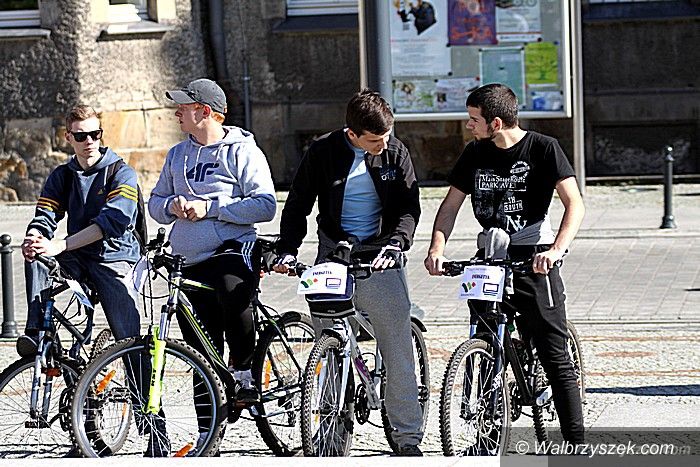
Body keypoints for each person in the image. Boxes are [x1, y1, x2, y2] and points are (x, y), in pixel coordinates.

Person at [424, 83, 586, 446]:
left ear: (495, 123)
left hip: (534, 256)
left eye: (473, 119)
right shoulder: (474, 153)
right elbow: (450, 206)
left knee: (554, 354)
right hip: (490, 257)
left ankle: (576, 444)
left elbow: (574, 203)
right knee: (483, 340)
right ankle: (487, 438)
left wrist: (556, 250)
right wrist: (437, 249)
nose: (469, 125)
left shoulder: (543, 148)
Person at [273, 89, 424, 456]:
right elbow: (298, 204)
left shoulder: (395, 151)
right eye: (374, 140)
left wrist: (397, 243)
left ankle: (407, 437)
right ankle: (331, 433)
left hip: (381, 253)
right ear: (352, 133)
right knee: (329, 347)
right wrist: (287, 249)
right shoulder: (323, 151)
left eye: (387, 136)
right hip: (334, 252)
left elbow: (409, 207)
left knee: (396, 346)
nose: (383, 145)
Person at [149, 79, 276, 413]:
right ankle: (207, 434)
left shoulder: (242, 151)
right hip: (187, 260)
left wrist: (212, 208)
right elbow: (155, 204)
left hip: (231, 249)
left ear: (204, 111)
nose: (176, 113)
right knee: (200, 355)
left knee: (232, 289)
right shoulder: (177, 155)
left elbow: (265, 205)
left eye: (184, 107)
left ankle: (245, 371)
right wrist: (171, 206)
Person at [19, 105, 141, 357]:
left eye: (95, 134)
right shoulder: (63, 175)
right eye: (81, 136)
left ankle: (139, 381)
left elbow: (110, 223)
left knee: (129, 340)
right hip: (78, 255)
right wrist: (34, 238)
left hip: (114, 257)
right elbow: (45, 215)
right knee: (37, 256)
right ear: (68, 138)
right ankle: (38, 332)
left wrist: (61, 244)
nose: (89, 141)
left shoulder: (121, 172)